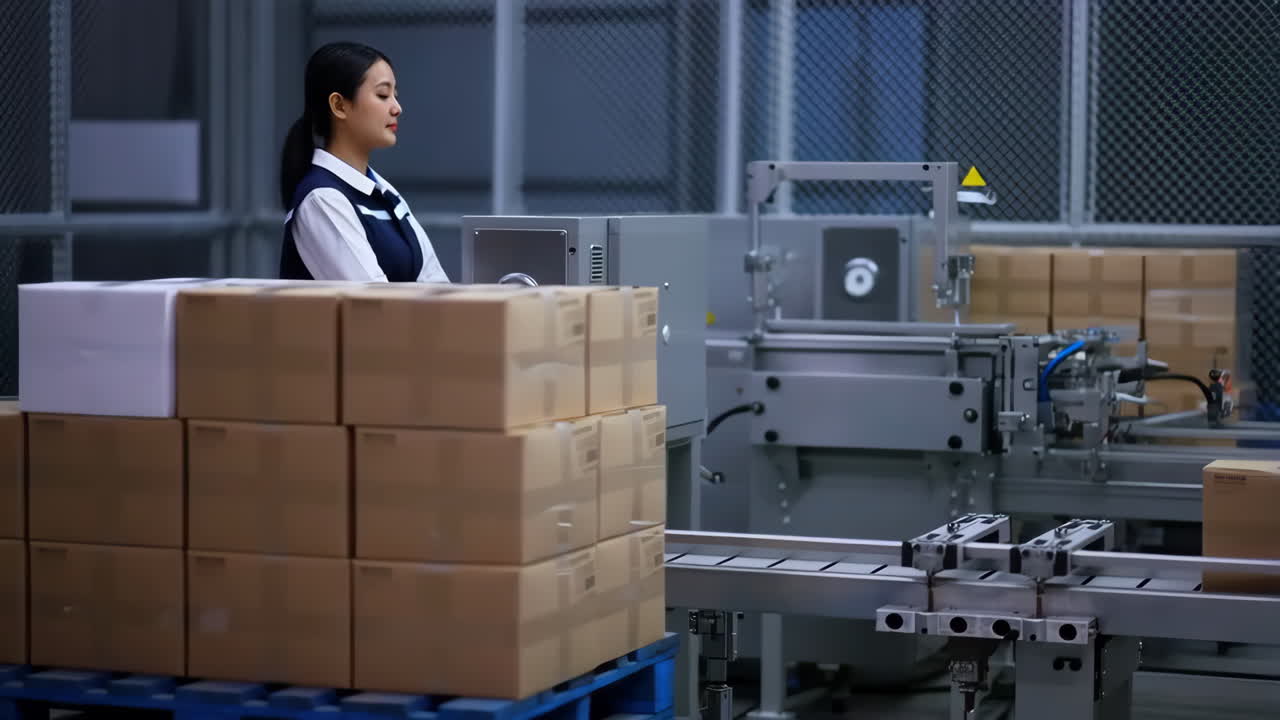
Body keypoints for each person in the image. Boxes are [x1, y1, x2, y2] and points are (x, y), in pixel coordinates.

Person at [278, 42, 448, 282]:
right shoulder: (322, 199)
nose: (397, 108)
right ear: (339, 105)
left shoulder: (386, 194)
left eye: (395, 96)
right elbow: (371, 306)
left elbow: (436, 285)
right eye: (382, 95)